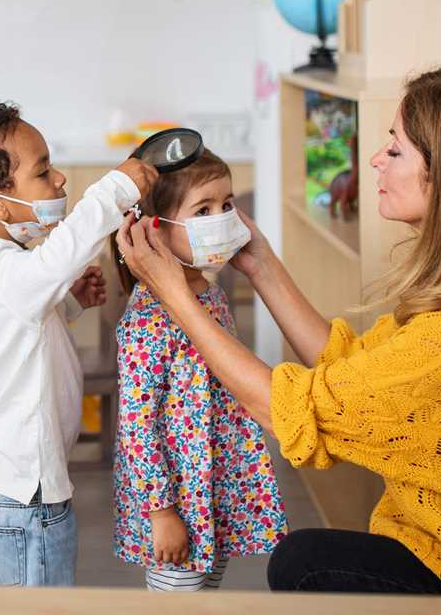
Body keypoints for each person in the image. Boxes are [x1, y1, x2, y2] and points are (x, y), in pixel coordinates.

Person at [117, 64, 441, 597]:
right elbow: (346, 366)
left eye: (394, 150)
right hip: (435, 540)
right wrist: (260, 265)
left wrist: (177, 298)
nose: (374, 158)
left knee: (299, 562)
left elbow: (295, 408)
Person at [0, 97, 155, 586]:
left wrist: (67, 304)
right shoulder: (3, 270)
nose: (60, 180)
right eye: (43, 172)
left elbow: (17, 330)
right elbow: (57, 261)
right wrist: (116, 188)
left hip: (3, 485)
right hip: (20, 498)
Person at [110, 148, 286, 591]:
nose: (222, 218)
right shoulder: (147, 320)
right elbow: (136, 425)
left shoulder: (210, 294)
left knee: (207, 594)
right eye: (203, 210)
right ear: (157, 231)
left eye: (227, 205)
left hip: (213, 490)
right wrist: (161, 512)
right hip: (178, 502)